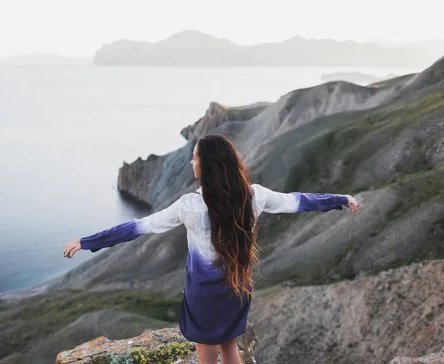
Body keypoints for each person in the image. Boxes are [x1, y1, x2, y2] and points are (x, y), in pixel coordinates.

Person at [64, 134, 359, 364]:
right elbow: (298, 201)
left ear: (207, 165)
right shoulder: (255, 196)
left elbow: (139, 227)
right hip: (237, 287)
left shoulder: (189, 206)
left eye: (194, 158)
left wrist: (88, 242)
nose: (191, 163)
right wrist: (339, 199)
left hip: (203, 294)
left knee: (205, 353)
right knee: (229, 347)